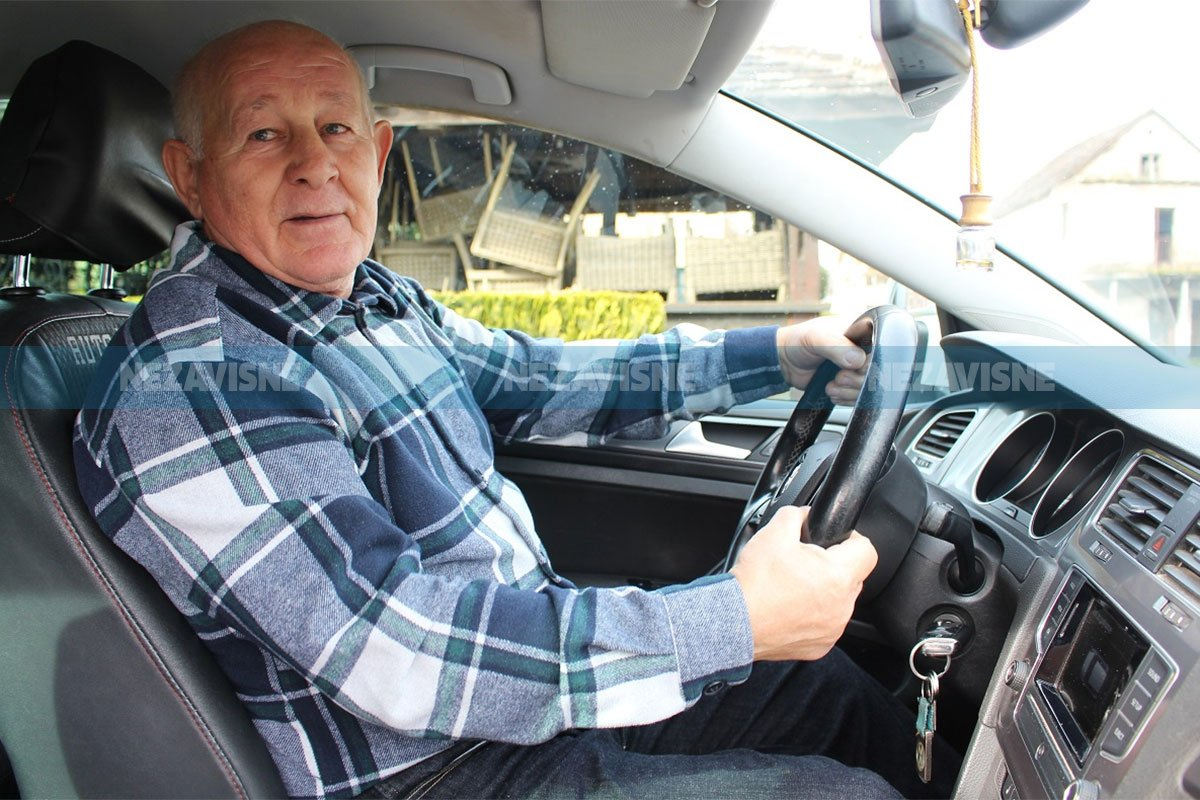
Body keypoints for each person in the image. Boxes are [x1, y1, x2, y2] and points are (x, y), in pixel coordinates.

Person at [74, 20, 957, 800]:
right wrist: (732, 622)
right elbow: (396, 651)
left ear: (378, 151)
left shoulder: (366, 299)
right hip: (429, 768)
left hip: (518, 705)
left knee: (828, 695)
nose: (316, 163)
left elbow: (534, 378)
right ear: (190, 177)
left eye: (335, 127)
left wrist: (778, 353)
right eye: (264, 133)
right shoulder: (200, 373)